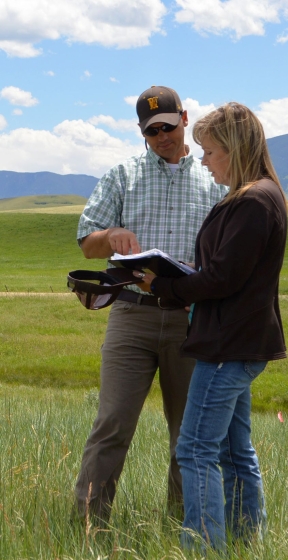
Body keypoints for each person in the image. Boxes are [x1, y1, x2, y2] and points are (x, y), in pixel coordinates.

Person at [134, 102, 287, 552]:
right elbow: (226, 269)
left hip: (227, 346)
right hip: (240, 342)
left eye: (210, 152)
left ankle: (204, 550)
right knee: (233, 451)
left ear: (235, 150)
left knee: (196, 449)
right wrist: (183, 276)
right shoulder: (257, 195)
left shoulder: (253, 201)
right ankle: (243, 544)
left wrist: (165, 286)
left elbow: (223, 278)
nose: (203, 161)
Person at [73, 85, 227, 523]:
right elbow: (87, 241)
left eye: (168, 125)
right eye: (151, 130)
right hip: (131, 315)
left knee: (189, 437)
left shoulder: (212, 179)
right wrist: (111, 236)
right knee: (113, 426)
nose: (162, 136)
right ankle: (86, 525)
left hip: (191, 321)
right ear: (142, 132)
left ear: (184, 117)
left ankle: (183, 530)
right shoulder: (122, 175)